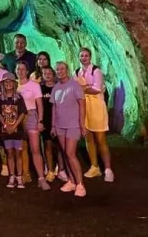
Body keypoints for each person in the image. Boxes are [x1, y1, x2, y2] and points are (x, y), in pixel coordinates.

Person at [76, 47, 114, 182]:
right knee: (88, 138)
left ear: (90, 57)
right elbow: (77, 89)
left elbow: (97, 89)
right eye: (81, 56)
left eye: (86, 55)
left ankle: (108, 169)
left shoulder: (96, 71)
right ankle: (94, 166)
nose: (84, 58)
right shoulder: (77, 72)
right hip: (84, 107)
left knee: (100, 139)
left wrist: (82, 89)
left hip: (97, 107)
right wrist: (87, 88)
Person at [52, 61, 87, 197]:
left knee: (70, 153)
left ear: (67, 70)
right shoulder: (56, 87)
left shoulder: (75, 85)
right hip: (60, 125)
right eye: (57, 69)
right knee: (65, 153)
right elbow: (54, 107)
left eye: (62, 69)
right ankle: (72, 181)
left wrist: (82, 125)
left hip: (73, 125)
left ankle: (80, 184)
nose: (60, 71)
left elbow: (82, 105)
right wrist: (53, 125)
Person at [16, 62, 50, 190]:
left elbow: (40, 104)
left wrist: (40, 121)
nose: (20, 71)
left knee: (35, 149)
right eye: (18, 69)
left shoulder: (34, 85)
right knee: (21, 148)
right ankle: (24, 174)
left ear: (27, 71)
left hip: (31, 116)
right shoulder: (13, 85)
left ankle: (41, 178)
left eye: (23, 69)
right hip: (17, 117)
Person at [0, 72, 27, 189]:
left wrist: (14, 126)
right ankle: (12, 176)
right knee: (9, 153)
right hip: (5, 131)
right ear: (2, 84)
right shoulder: (0, 98)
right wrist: (5, 125)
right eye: (6, 82)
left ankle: (19, 176)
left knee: (18, 154)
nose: (8, 84)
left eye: (10, 82)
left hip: (17, 131)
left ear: (14, 84)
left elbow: (22, 113)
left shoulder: (19, 98)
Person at [40, 66, 61, 181]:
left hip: (58, 120)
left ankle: (60, 168)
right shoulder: (40, 88)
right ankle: (50, 169)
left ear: (54, 75)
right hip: (46, 120)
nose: (47, 75)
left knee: (59, 146)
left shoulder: (58, 87)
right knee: (47, 145)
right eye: (45, 73)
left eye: (49, 73)